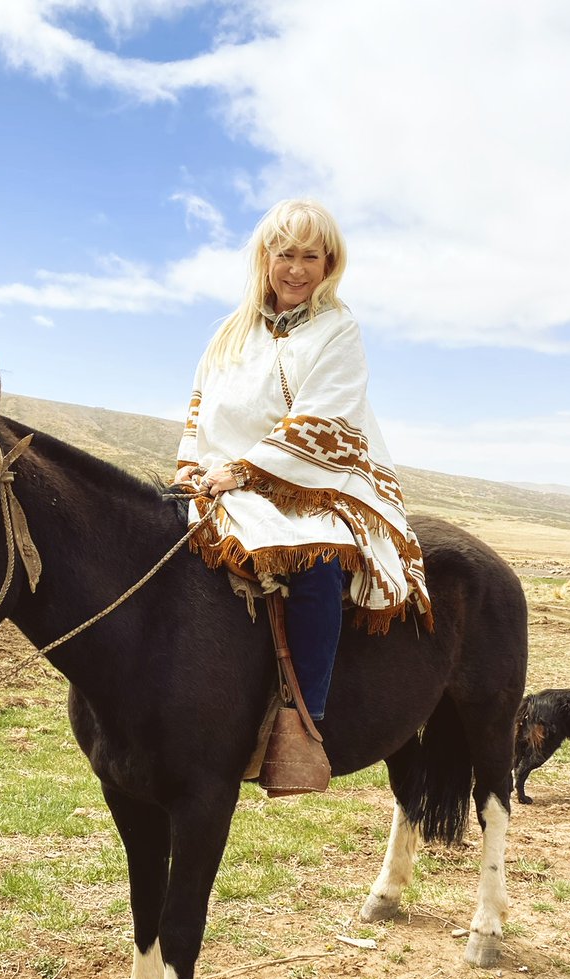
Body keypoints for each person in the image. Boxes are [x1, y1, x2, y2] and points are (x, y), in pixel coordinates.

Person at [174, 198, 432, 722]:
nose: (296, 269)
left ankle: (302, 719)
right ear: (265, 258)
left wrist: (247, 470)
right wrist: (190, 466)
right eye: (285, 253)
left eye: (311, 257)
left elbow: (325, 415)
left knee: (318, 561)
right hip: (219, 478)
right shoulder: (229, 331)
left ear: (329, 264)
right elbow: (199, 406)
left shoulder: (337, 328)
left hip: (310, 481)